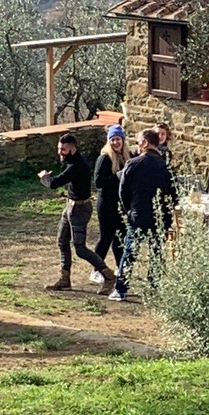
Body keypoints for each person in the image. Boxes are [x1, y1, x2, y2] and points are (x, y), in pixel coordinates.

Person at [38, 133, 114, 291]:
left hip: (80, 209)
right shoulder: (73, 160)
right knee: (62, 240)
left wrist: (45, 177)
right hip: (71, 206)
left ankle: (108, 275)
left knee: (80, 248)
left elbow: (54, 184)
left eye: (63, 150)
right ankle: (64, 279)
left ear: (72, 149)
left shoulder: (76, 166)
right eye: (59, 149)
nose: (60, 153)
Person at [109, 128, 177, 301]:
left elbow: (122, 191)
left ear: (145, 143)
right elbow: (174, 194)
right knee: (157, 253)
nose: (137, 146)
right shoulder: (166, 167)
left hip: (138, 215)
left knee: (130, 253)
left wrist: (129, 210)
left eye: (138, 142)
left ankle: (121, 289)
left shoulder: (133, 164)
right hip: (159, 218)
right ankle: (153, 288)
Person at [90, 124, 128, 294]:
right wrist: (116, 177)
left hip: (120, 204)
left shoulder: (126, 157)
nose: (115, 142)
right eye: (112, 139)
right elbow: (98, 182)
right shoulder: (104, 158)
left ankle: (121, 269)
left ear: (123, 140)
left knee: (120, 237)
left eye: (118, 139)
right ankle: (96, 269)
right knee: (106, 237)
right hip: (106, 204)